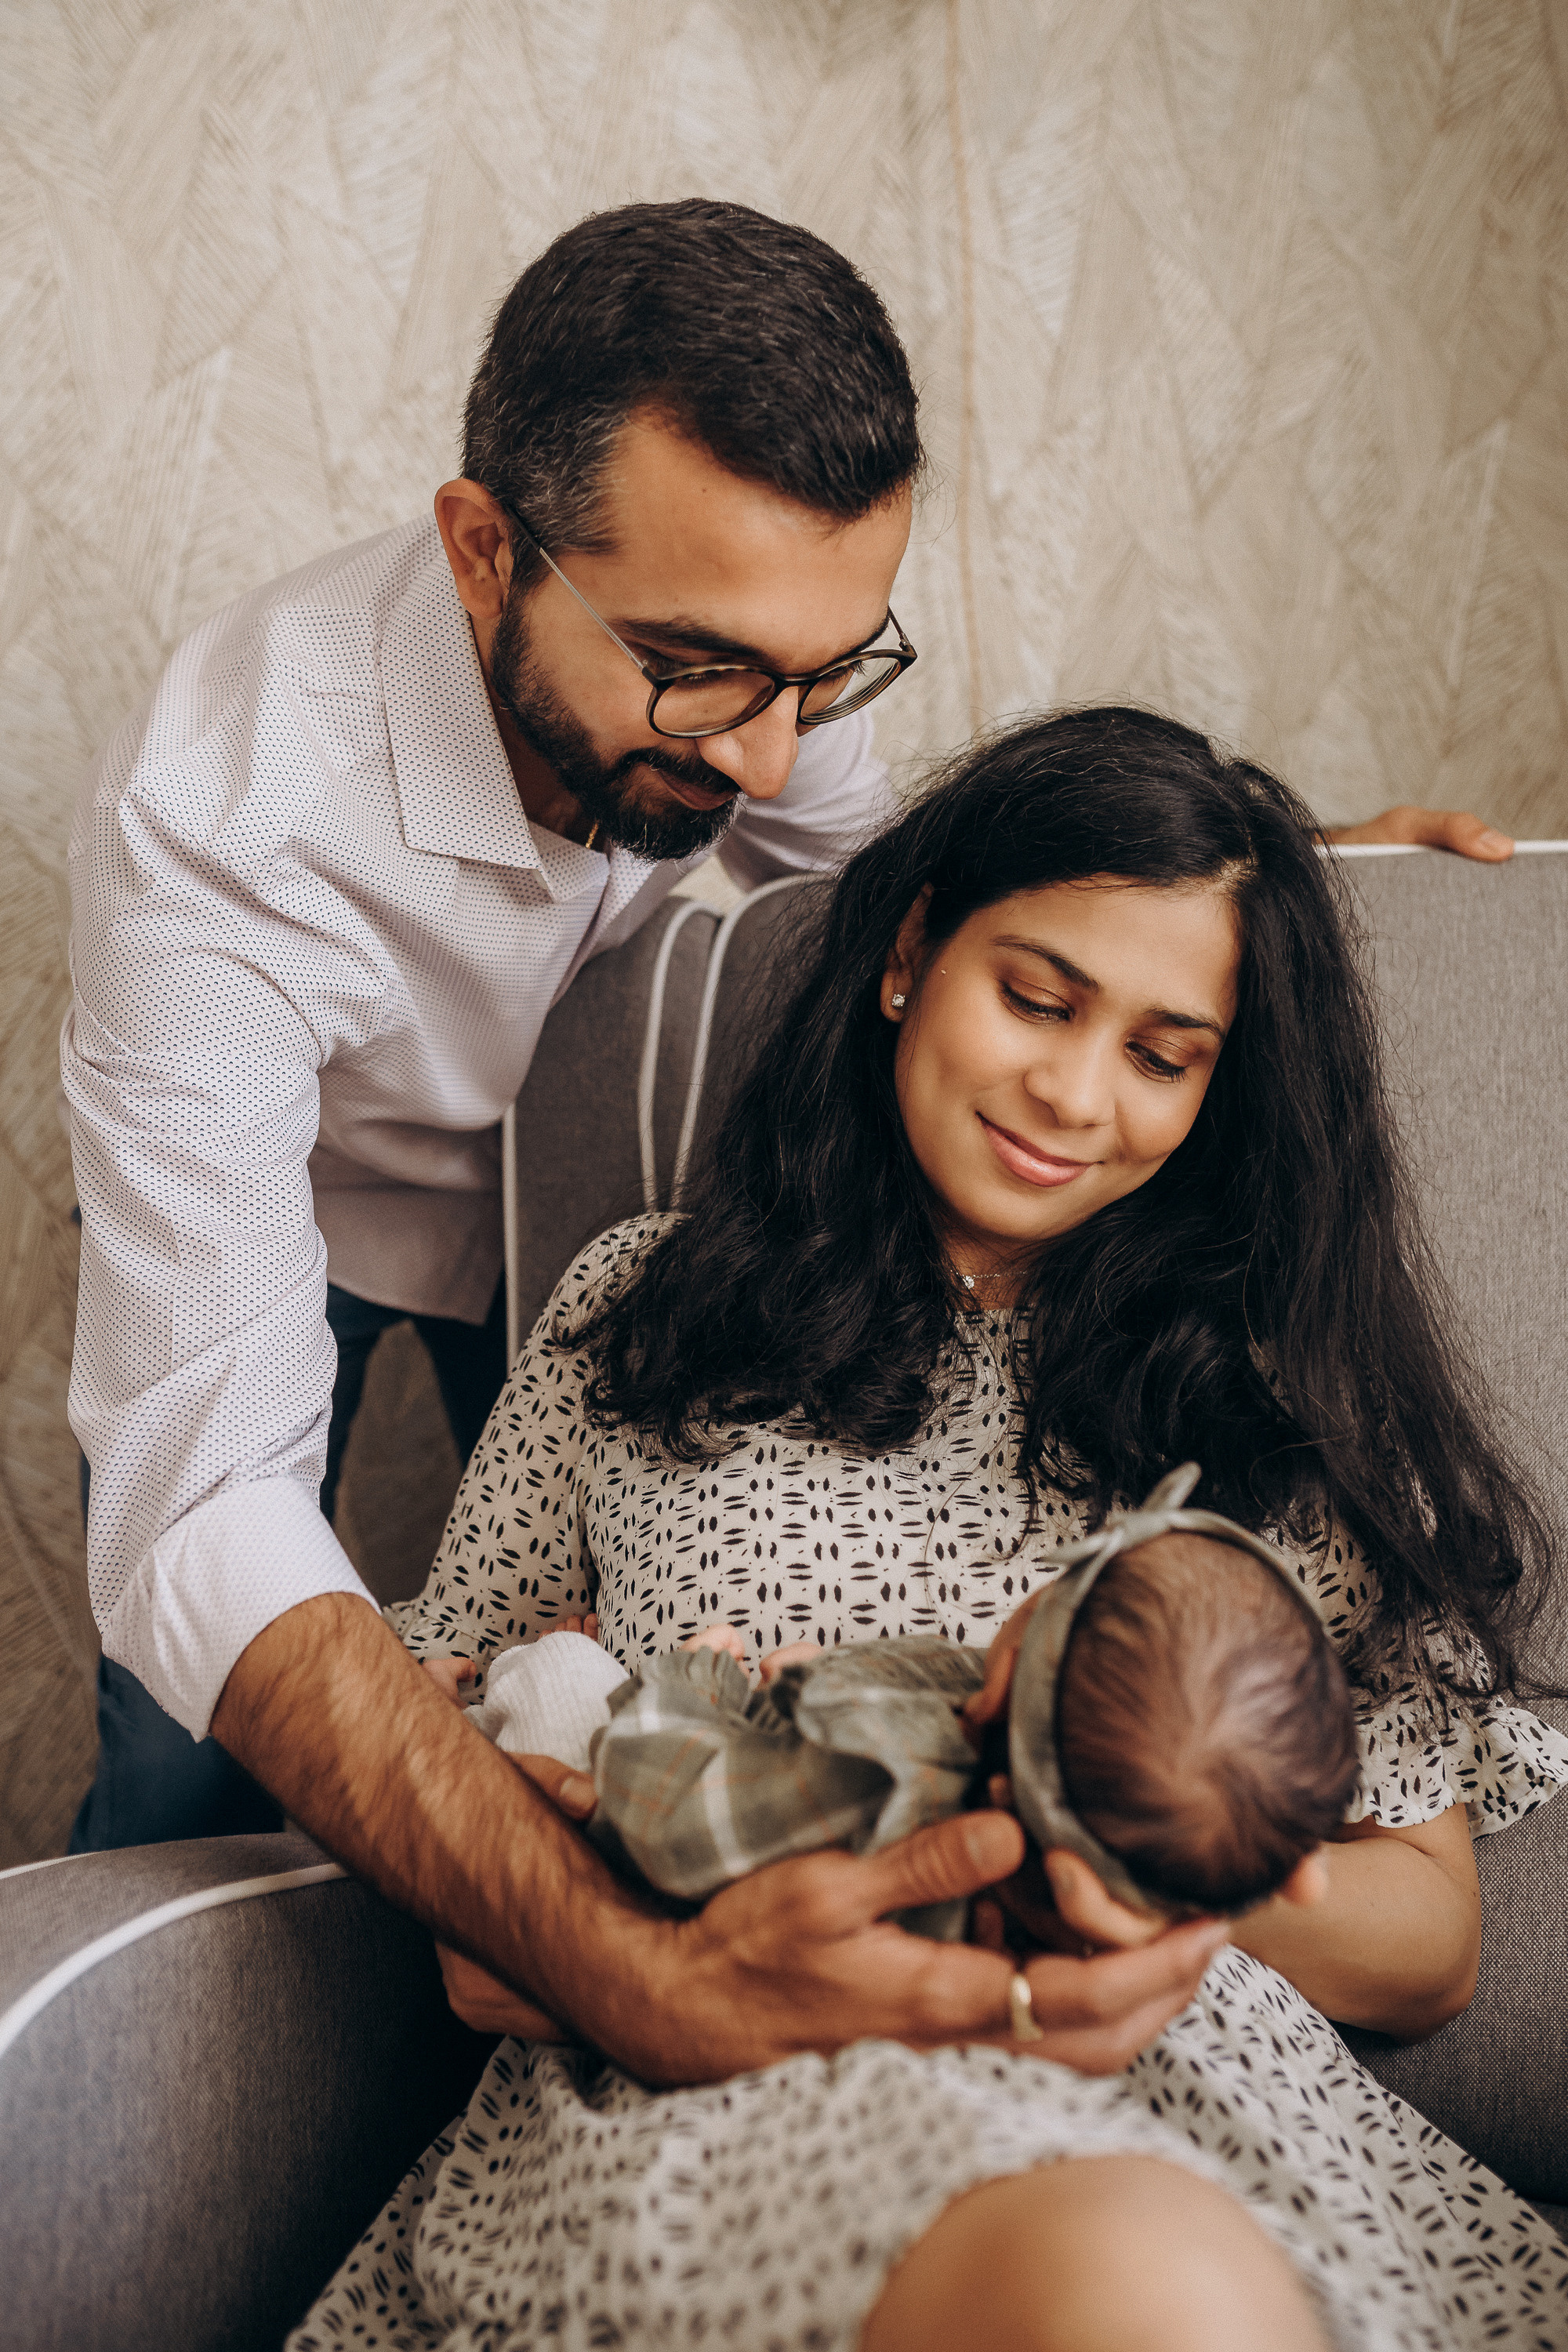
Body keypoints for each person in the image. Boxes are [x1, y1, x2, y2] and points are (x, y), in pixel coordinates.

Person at [64, 199, 1519, 2085]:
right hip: (339, 1207)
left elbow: (952, 900)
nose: (769, 758)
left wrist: (1258, 879)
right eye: (699, 674)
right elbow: (200, 1505)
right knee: (200, 1746)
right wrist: (618, 1962)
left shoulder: (766, 661)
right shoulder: (216, 823)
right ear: (482, 549)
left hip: (632, 1192)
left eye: (821, 678)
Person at [290, 708, 1568, 2352]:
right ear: (907, 955)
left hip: (1185, 2094)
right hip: (720, 2080)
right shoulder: (639, 1309)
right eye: (1034, 996)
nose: (1072, 1090)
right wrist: (526, 1903)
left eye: (1163, 1052)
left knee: (1146, 2278)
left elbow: (1428, 1941)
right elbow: (441, 1706)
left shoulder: (1266, 1403)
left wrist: (1093, 1842)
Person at [430, 1477, 1363, 1941]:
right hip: (781, 1778)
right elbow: (933, 1690)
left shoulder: (874, 1769)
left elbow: (674, 1823)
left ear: (1010, 1677)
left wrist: (697, 1685)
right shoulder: (1050, 1775)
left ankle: (497, 1688)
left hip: (660, 1866)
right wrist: (817, 1686)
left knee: (558, 1670)